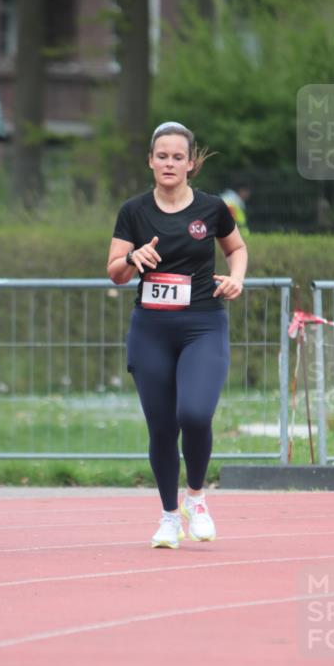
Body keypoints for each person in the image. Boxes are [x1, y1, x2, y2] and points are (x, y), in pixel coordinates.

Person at [107, 121, 248, 548]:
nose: (169, 163)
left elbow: (236, 249)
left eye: (178, 157)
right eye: (162, 156)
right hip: (151, 328)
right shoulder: (134, 211)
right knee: (162, 427)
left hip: (202, 323)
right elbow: (115, 273)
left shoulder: (211, 209)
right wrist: (133, 256)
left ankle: (196, 499)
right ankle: (169, 515)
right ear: (150, 161)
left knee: (195, 414)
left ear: (191, 164)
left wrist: (236, 278)